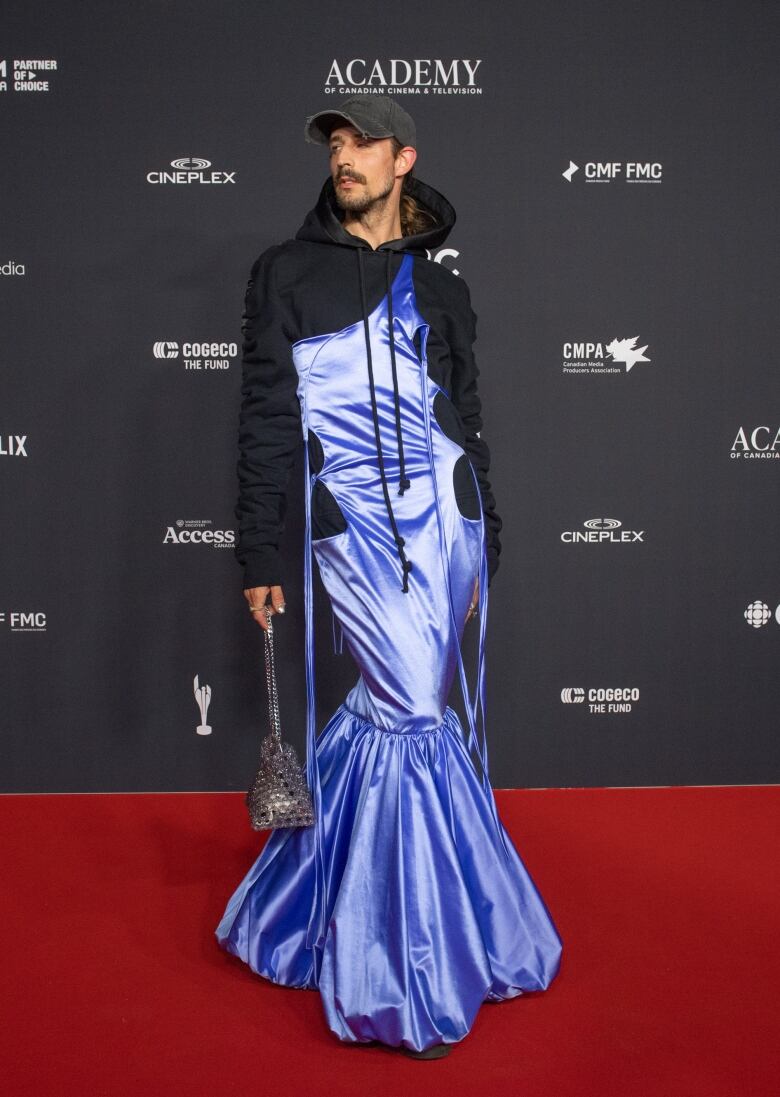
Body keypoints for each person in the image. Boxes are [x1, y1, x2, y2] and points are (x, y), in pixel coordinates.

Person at [215, 95, 563, 1059]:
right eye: (333, 143)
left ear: (404, 157)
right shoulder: (284, 274)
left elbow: (469, 419)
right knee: (411, 708)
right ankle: (407, 956)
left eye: (361, 141)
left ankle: (316, 897)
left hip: (443, 524)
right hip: (354, 527)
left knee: (396, 708)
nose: (343, 156)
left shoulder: (441, 287)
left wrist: (484, 535)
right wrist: (257, 547)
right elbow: (266, 423)